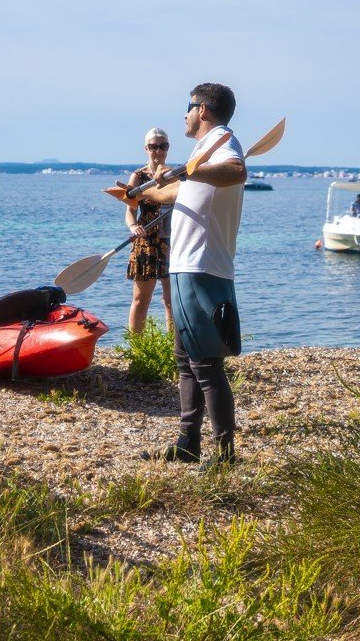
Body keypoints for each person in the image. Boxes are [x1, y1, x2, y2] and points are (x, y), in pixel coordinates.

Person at [133, 83, 246, 468]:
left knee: (205, 364)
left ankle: (226, 455)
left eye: (188, 107)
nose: (184, 115)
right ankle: (187, 442)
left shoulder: (223, 143)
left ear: (203, 110)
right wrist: (139, 195)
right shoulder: (204, 148)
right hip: (185, 265)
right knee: (186, 360)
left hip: (202, 267)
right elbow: (176, 194)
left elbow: (236, 171)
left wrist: (187, 169)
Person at [124, 127, 173, 333]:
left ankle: (174, 348)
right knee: (141, 299)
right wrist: (134, 227)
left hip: (170, 240)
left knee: (171, 301)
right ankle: (137, 349)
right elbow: (129, 212)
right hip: (145, 240)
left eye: (163, 146)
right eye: (154, 147)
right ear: (146, 149)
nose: (158, 151)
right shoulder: (138, 177)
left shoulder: (173, 175)